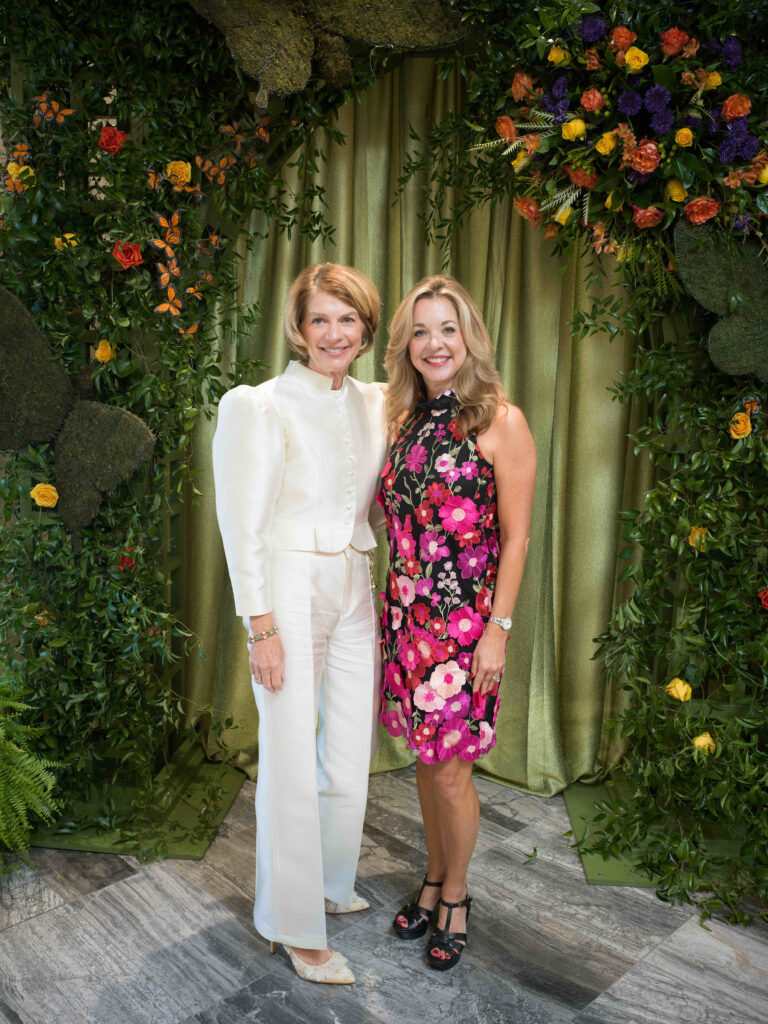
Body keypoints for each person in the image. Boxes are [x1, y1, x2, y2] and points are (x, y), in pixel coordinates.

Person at [212, 263, 388, 985]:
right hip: (285, 588)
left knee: (348, 752)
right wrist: (261, 627)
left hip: (354, 581)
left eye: (347, 319)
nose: (334, 333)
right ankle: (292, 928)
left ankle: (329, 883)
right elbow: (240, 523)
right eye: (321, 319)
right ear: (299, 326)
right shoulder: (259, 405)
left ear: (366, 327)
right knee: (289, 755)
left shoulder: (376, 401)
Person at [379, 275, 536, 971]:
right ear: (406, 345)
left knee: (451, 775)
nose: (434, 343)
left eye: (447, 328)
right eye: (421, 330)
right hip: (407, 620)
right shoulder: (404, 418)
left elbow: (519, 536)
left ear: (469, 336)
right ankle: (434, 875)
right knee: (425, 762)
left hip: (467, 627)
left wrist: (498, 629)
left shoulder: (501, 420)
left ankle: (458, 896)